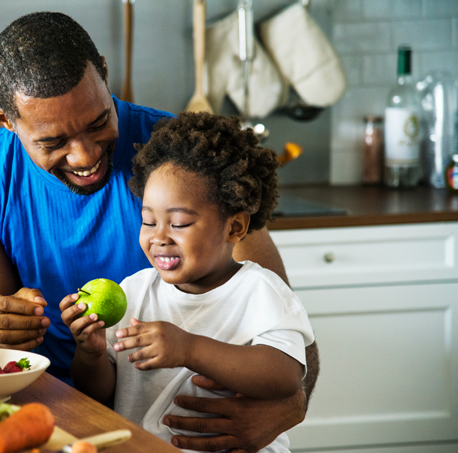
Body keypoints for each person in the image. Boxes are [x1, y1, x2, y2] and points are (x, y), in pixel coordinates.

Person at [0, 11, 320, 452]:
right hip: (42, 414)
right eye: (53, 142)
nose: (83, 156)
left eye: (98, 122)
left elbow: (284, 323)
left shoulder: (184, 163)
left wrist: (291, 406)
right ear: (5, 120)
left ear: (103, 72)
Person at [59, 112, 315, 452]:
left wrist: (189, 349)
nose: (159, 238)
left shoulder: (260, 291)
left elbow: (284, 377)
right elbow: (100, 394)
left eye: (178, 224)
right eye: (148, 221)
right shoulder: (134, 291)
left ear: (234, 228)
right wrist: (90, 354)